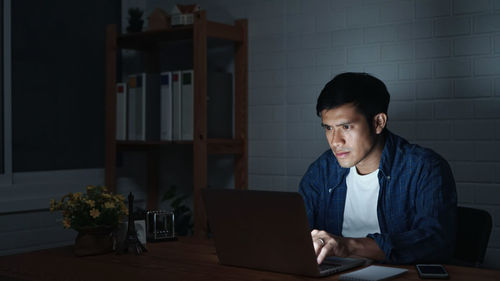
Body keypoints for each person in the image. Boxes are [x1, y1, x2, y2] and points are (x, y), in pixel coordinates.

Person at [299, 72, 457, 265]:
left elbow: (435, 241)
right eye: (328, 128)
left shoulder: (424, 167)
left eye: (346, 127)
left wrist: (348, 246)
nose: (335, 142)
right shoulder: (321, 171)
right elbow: (296, 234)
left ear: (378, 122)